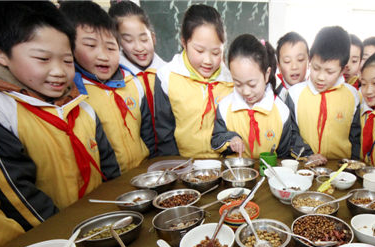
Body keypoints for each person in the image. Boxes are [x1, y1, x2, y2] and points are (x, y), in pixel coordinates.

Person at [0, 1, 120, 234]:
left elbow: (109, 169)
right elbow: (18, 196)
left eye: (67, 61)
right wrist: (69, 236)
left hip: (102, 224)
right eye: (43, 59)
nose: (59, 71)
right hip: (56, 236)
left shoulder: (82, 107)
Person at [60, 1, 155, 174]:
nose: (103, 56)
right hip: (106, 183)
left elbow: (147, 132)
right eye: (91, 46)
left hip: (144, 173)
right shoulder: (73, 93)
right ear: (69, 47)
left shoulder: (133, 83)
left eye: (111, 47)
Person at [211, 35, 322, 162]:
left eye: (252, 84)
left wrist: (307, 155)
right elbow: (215, 141)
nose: (246, 92)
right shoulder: (225, 106)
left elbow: (284, 152)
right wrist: (231, 139)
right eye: (238, 84)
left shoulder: (281, 111)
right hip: (236, 175)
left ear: (267, 74)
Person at [155, 4, 233, 158]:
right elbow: (165, 131)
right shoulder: (167, 76)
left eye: (216, 52)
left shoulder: (231, 80)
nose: (208, 61)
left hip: (223, 164)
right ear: (184, 42)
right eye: (199, 51)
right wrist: (175, 167)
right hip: (183, 164)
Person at [285, 26, 361, 160]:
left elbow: (355, 138)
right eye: (315, 68)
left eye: (330, 72)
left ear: (343, 69)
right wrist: (308, 154)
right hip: (304, 166)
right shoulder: (294, 93)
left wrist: (352, 166)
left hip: (341, 171)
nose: (320, 77)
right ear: (310, 59)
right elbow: (291, 133)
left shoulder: (352, 96)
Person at [109, 0, 167, 154]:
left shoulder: (168, 73)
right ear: (117, 42)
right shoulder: (116, 79)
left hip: (172, 154)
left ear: (153, 38)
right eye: (128, 40)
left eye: (144, 39)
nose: (139, 47)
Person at [275, 32, 309, 102]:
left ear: (308, 62)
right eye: (287, 61)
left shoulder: (316, 90)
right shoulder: (276, 99)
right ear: (279, 67)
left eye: (300, 59)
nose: (294, 67)